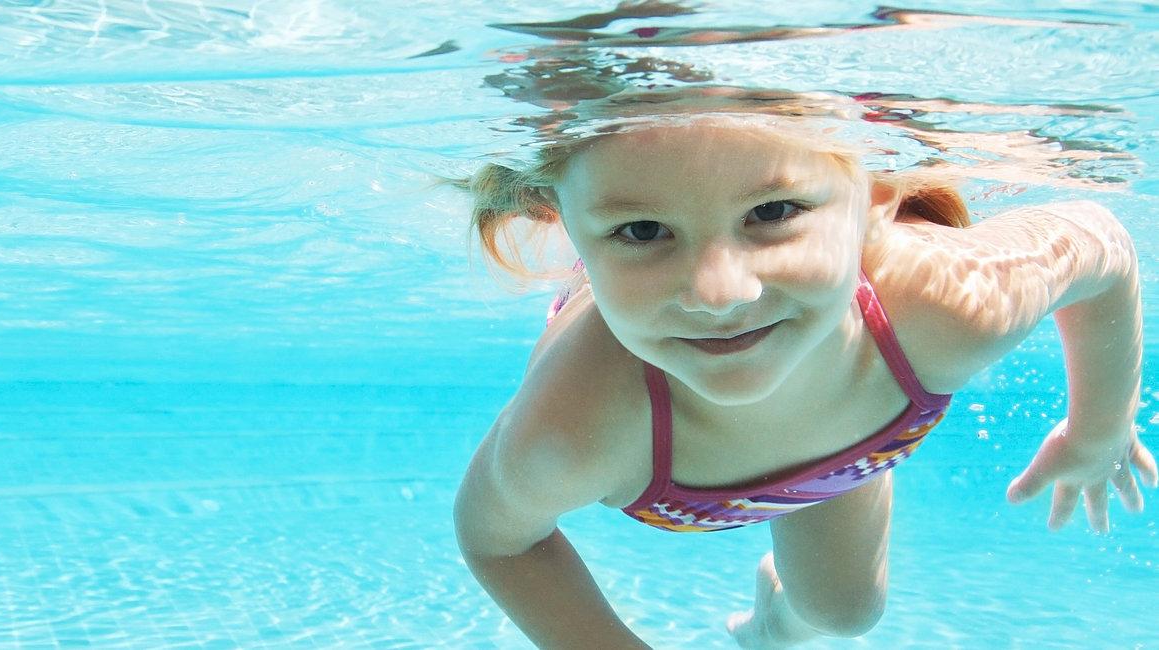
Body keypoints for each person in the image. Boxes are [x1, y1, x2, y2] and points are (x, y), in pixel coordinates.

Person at [450, 112, 1156, 649]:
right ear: (567, 227)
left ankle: (772, 627)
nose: (719, 292)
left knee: (845, 614)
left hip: (853, 432)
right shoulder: (574, 430)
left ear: (877, 194)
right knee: (850, 612)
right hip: (824, 423)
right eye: (640, 231)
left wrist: (1100, 426)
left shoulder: (944, 308)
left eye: (773, 212)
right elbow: (497, 539)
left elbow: (1102, 242)